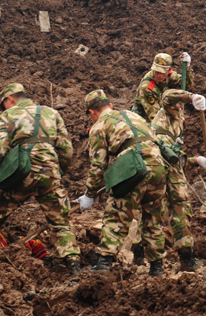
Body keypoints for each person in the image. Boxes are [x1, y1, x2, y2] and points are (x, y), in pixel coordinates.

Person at [0, 84, 81, 275]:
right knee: (61, 222)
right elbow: (66, 149)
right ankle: (73, 264)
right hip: (50, 174)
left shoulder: (8, 116)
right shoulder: (51, 113)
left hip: (21, 175)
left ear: (10, 99)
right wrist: (58, 172)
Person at [77, 89, 167, 275]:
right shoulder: (134, 115)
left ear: (92, 112)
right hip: (158, 166)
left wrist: (89, 194)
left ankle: (103, 264)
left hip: (134, 167)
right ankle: (157, 267)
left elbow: (98, 165)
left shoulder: (99, 126)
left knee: (116, 214)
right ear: (110, 105)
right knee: (153, 218)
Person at [146, 89, 206, 271]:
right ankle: (153, 263)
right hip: (155, 165)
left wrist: (197, 161)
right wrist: (192, 97)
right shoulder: (166, 112)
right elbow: (167, 95)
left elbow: (175, 159)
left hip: (171, 169)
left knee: (181, 208)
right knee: (153, 213)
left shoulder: (177, 125)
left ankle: (186, 259)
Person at [131, 52, 195, 120]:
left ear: (169, 70)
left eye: (162, 72)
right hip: (142, 121)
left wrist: (187, 68)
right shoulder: (146, 87)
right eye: (157, 71)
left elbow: (186, 84)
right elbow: (155, 117)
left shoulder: (170, 76)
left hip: (160, 111)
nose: (159, 75)